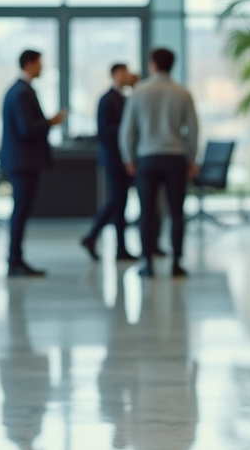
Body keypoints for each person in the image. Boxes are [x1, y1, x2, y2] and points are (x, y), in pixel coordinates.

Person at [119, 48, 199, 279]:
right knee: (176, 211)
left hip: (147, 158)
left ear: (152, 64)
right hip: (175, 157)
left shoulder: (139, 91)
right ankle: (176, 263)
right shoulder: (183, 93)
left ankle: (147, 264)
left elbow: (128, 131)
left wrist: (129, 158)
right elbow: (192, 130)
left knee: (146, 212)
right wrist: (192, 159)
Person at [0, 49, 66, 278]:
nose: (42, 68)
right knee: (20, 211)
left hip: (22, 161)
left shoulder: (20, 90)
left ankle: (16, 259)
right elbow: (26, 128)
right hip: (23, 162)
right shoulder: (21, 92)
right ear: (29, 64)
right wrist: (51, 122)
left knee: (20, 211)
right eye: (39, 64)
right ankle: (15, 261)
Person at [80, 63, 140, 262]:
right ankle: (97, 237)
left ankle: (108, 243)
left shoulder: (123, 98)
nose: (128, 76)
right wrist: (126, 128)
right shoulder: (107, 100)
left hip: (123, 158)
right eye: (124, 73)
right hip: (114, 158)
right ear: (116, 74)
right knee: (117, 200)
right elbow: (104, 131)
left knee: (119, 202)